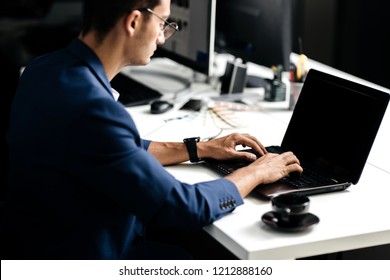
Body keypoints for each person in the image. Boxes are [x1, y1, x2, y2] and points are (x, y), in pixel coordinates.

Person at [3, 0, 302, 260]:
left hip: (35, 244)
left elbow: (109, 147)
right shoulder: (95, 111)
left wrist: (198, 149)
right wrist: (257, 172)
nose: (162, 37)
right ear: (133, 22)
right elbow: (185, 207)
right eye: (163, 22)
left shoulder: (43, 69)